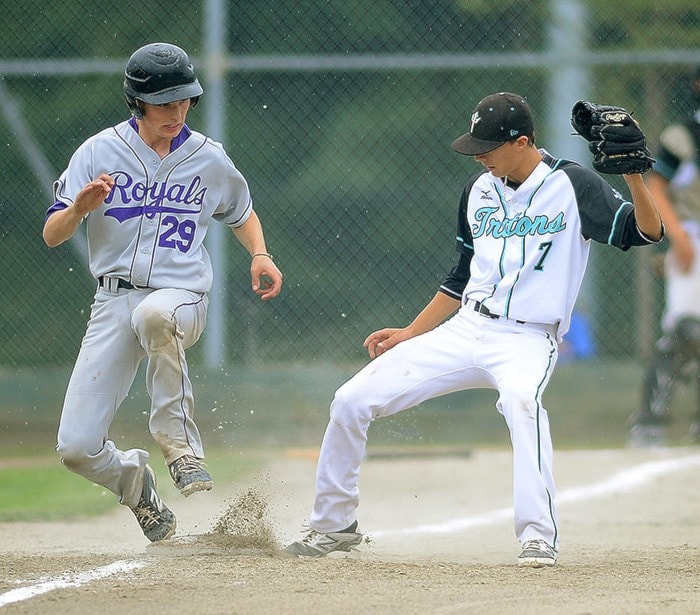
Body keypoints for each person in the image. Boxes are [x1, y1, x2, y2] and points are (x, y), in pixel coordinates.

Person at [284, 92, 662, 567]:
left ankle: (537, 536)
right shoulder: (479, 189)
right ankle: (333, 525)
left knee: (523, 404)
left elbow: (646, 232)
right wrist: (410, 333)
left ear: (522, 142)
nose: (479, 155)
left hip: (528, 338)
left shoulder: (572, 184)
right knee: (350, 401)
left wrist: (633, 175)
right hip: (467, 328)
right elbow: (461, 277)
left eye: (487, 146)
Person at [43, 42, 283, 542]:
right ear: (138, 102)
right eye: (164, 102)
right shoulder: (97, 151)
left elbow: (241, 211)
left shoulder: (208, 158)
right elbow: (52, 234)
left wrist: (260, 254)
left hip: (181, 296)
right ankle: (137, 486)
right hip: (112, 301)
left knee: (156, 314)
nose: (176, 111)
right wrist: (79, 209)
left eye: (184, 100)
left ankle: (177, 443)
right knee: (76, 448)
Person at [628, 66, 700, 447]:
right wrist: (678, 238)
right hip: (692, 237)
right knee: (684, 332)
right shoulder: (683, 136)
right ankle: (649, 423)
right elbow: (656, 187)